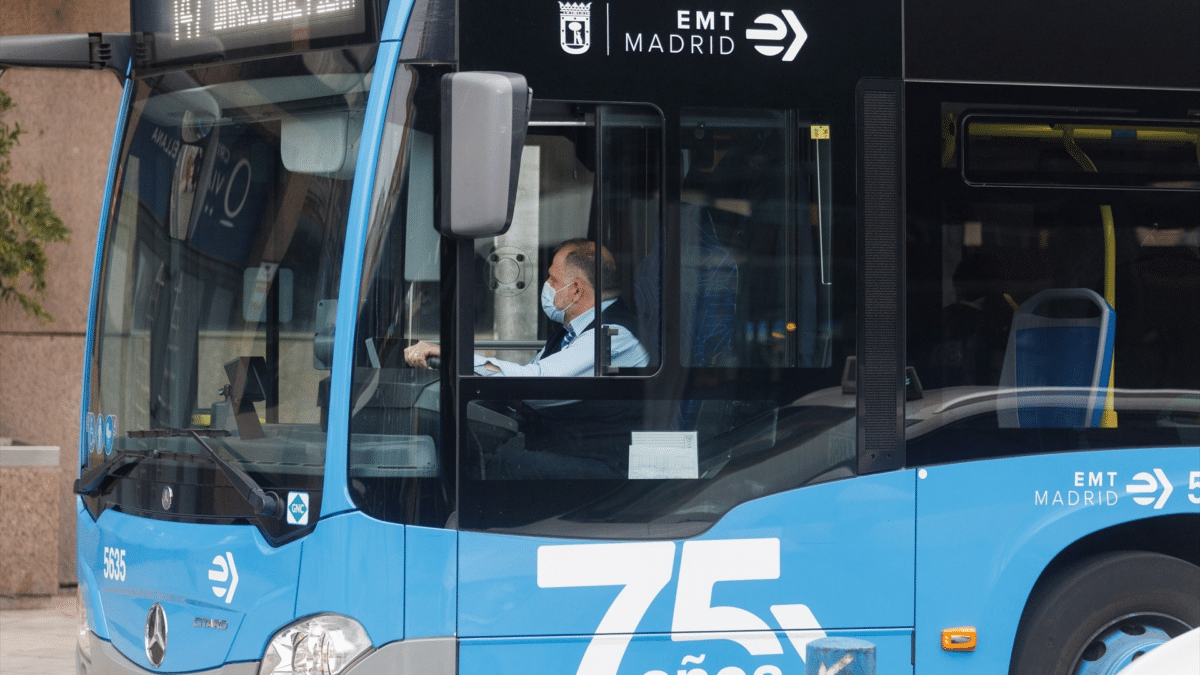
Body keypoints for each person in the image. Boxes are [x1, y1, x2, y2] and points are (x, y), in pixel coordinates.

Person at [404, 238, 649, 375]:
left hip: (597, 454)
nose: (547, 285)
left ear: (576, 290)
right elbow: (530, 372)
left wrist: (447, 354)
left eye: (553, 279)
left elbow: (537, 379)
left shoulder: (612, 335)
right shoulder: (569, 333)